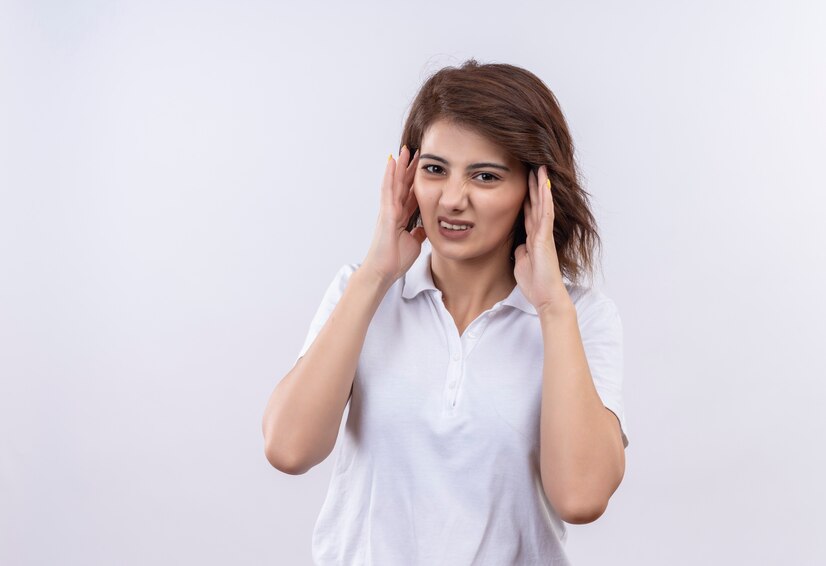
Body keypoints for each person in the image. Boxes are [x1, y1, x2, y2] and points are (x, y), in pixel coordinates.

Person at [262, 59, 629, 565]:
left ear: (536, 191)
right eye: (435, 170)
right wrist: (376, 274)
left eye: (485, 176)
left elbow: (582, 497)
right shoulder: (360, 291)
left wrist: (550, 307)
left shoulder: (579, 317)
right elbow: (288, 449)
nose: (453, 200)